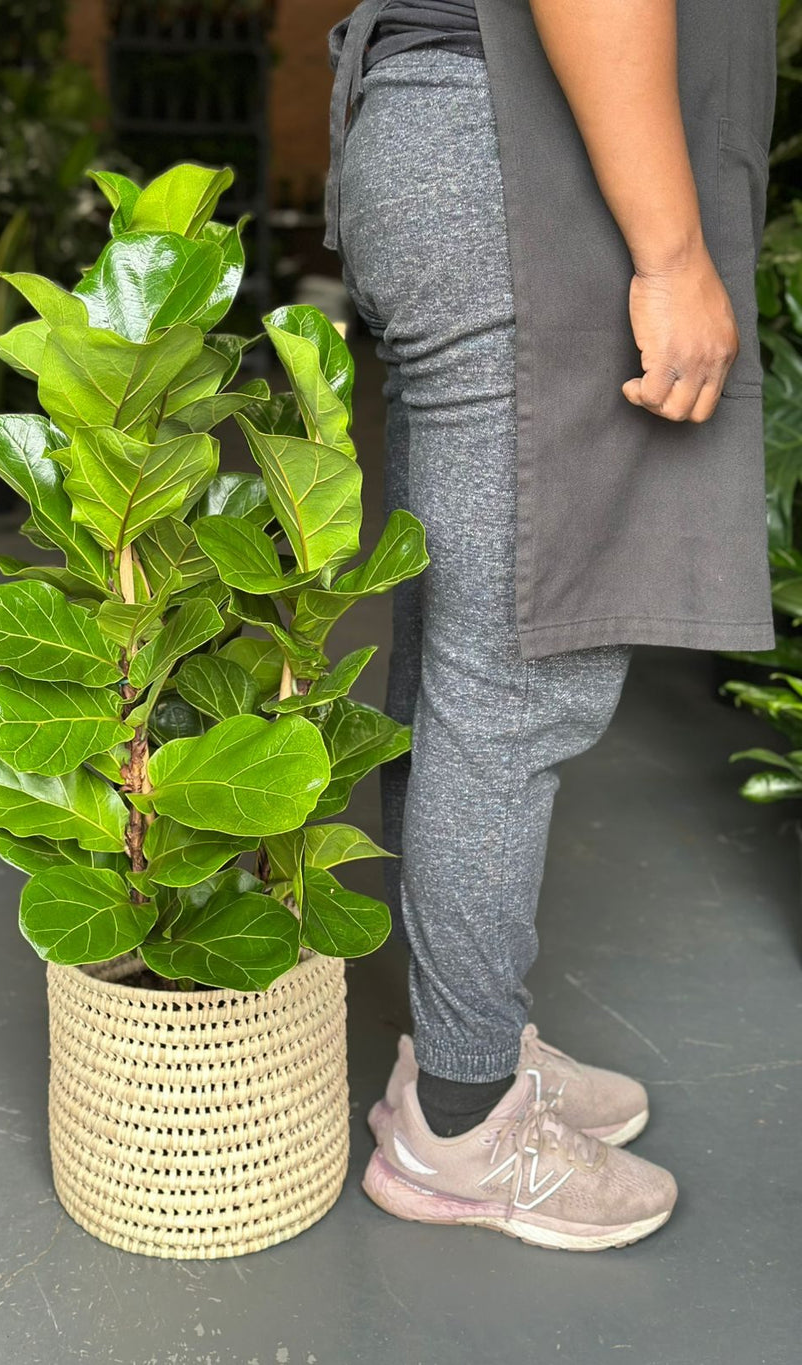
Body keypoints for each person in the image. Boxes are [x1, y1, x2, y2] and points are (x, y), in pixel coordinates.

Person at [324, 0, 777, 1251]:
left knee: (460, 651)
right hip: (520, 168)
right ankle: (463, 1129)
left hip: (459, 145)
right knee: (519, 672)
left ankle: (458, 1050)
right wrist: (671, 251)